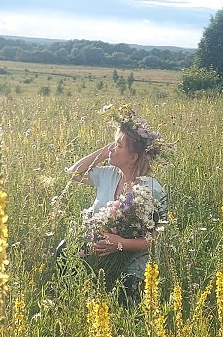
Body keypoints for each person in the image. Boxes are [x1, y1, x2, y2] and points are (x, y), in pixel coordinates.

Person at [63, 104, 169, 306]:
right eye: (112, 144)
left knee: (124, 299)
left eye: (118, 146)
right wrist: (104, 152)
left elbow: (155, 238)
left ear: (133, 157)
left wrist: (120, 244)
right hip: (99, 254)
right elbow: (73, 173)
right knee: (64, 252)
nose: (112, 148)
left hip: (133, 262)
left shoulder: (152, 190)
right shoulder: (108, 174)